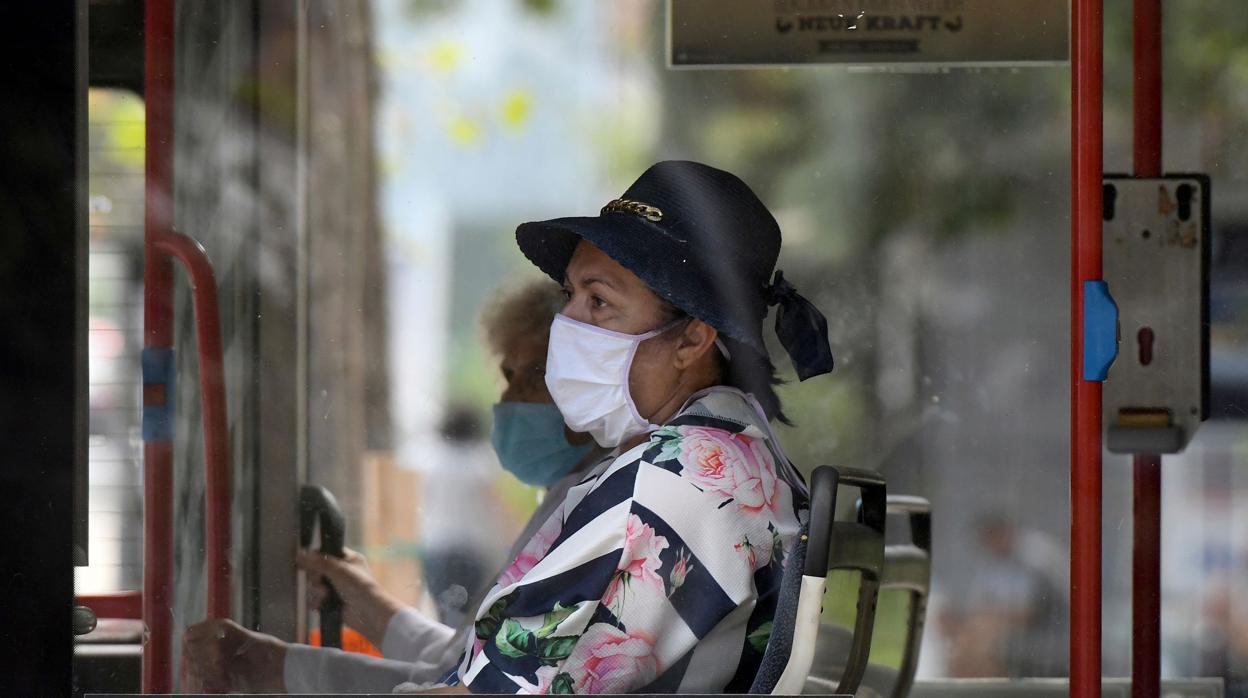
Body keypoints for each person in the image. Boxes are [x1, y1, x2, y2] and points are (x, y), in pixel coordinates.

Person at [437, 160, 835, 694]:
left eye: (599, 301)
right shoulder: (734, 453)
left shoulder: (664, 488)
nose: (567, 325)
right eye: (569, 295)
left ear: (693, 340)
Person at [182, 280, 604, 693]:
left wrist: (274, 667)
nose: (509, 400)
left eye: (534, 376)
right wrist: (371, 608)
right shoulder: (572, 494)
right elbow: (466, 661)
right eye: (507, 377)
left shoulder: (599, 510)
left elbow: (459, 683)